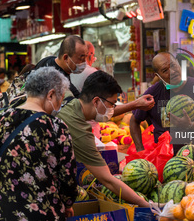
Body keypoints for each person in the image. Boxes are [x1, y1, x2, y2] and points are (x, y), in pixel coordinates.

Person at [0, 67, 78, 220]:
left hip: (1, 212)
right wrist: (68, 204)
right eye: (61, 98)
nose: (61, 103)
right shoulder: (56, 127)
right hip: (42, 214)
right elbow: (68, 177)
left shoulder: (0, 120)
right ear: (51, 94)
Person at [57, 71, 149, 207]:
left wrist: (135, 104)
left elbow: (103, 111)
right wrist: (145, 204)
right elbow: (108, 180)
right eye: (112, 104)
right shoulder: (80, 131)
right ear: (96, 101)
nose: (112, 109)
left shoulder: (66, 95)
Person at [130, 52, 194, 154]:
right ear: (158, 75)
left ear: (178, 63)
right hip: (164, 155)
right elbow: (134, 121)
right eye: (165, 70)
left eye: (173, 65)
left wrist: (190, 125)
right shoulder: (152, 93)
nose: (172, 72)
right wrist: (140, 150)